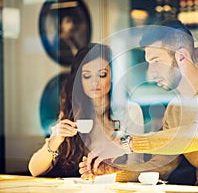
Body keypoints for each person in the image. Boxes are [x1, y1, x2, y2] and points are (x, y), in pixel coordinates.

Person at [79, 19, 198, 190]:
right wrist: (114, 172)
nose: (150, 73)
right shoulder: (174, 109)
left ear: (181, 57)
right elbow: (164, 165)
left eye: (155, 61)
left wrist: (126, 143)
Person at [28, 43, 144, 177]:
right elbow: (34, 170)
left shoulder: (130, 111)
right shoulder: (72, 110)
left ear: (112, 77)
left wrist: (108, 173)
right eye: (87, 76)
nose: (95, 82)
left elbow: (137, 167)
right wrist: (55, 141)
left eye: (102, 75)